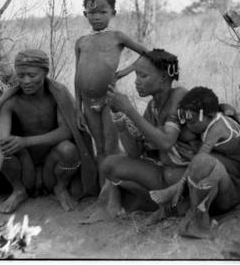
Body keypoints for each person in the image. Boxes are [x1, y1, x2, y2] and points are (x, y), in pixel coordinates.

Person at [0, 50, 98, 214]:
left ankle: (60, 188)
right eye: (21, 75)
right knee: (5, 146)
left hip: (52, 168)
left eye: (32, 75)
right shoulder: (12, 102)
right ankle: (18, 190)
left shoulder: (57, 96)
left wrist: (25, 141)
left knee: (68, 149)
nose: (26, 81)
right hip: (26, 170)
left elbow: (66, 131)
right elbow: (0, 136)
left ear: (45, 72)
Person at [80, 48, 189, 224]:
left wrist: (130, 110)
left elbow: (166, 142)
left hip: (183, 177)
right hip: (165, 173)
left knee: (159, 179)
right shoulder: (153, 106)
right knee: (109, 165)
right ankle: (163, 204)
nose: (137, 82)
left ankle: (174, 204)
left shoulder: (180, 96)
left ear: (163, 78)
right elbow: (134, 153)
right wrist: (119, 117)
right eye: (136, 76)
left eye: (143, 76)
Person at [150, 86, 240, 239]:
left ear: (209, 116)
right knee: (194, 162)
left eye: (192, 121)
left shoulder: (218, 128)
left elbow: (200, 157)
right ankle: (173, 207)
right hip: (227, 167)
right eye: (185, 119)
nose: (188, 124)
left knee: (201, 163)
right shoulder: (210, 118)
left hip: (237, 180)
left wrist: (179, 185)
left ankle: (195, 221)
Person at [74, 0, 149, 186]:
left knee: (111, 147)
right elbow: (77, 77)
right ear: (85, 14)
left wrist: (127, 70)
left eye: (102, 12)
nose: (97, 17)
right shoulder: (81, 42)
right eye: (92, 13)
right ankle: (103, 191)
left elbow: (147, 53)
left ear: (113, 13)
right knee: (99, 147)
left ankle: (115, 193)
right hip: (88, 105)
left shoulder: (117, 37)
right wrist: (78, 108)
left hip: (109, 101)